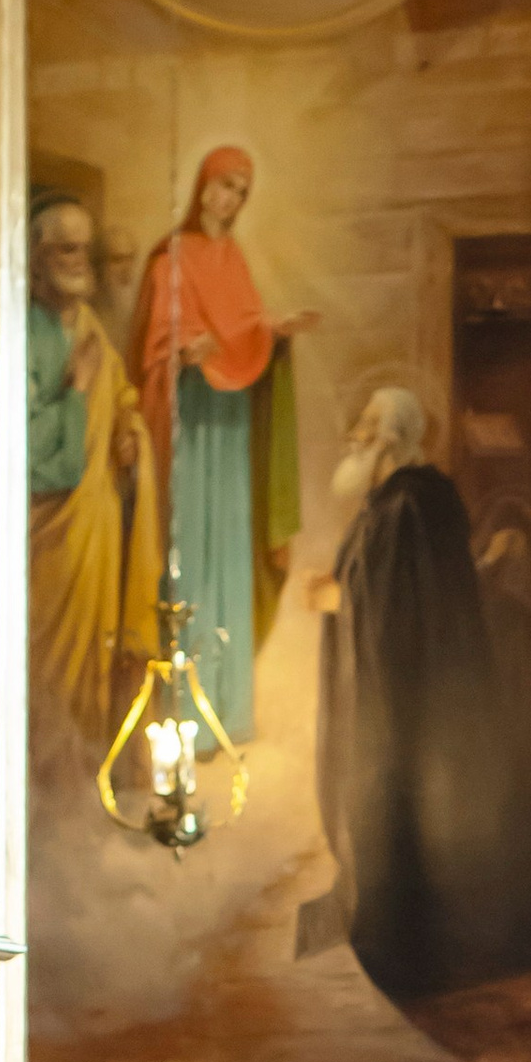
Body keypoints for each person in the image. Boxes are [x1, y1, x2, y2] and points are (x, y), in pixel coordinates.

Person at [311, 386, 531, 1057]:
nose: (353, 441)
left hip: (408, 708)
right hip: (388, 702)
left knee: (406, 822)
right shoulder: (390, 507)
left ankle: (416, 959)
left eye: (363, 429)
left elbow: (409, 616)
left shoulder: (413, 504)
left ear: (389, 436)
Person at [125, 144, 308, 742]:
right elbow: (152, 355)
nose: (230, 200)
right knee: (190, 552)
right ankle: (184, 720)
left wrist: (272, 336)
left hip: (229, 423)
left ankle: (227, 711)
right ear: (203, 184)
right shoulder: (169, 261)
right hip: (190, 425)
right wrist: (182, 355)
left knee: (228, 545)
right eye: (225, 185)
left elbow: (243, 336)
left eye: (241, 191)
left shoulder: (233, 258)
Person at [28, 192, 160, 762]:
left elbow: (123, 391)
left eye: (85, 249)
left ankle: (85, 787)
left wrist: (129, 427)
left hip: (98, 527)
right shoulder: (20, 333)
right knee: (47, 669)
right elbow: (28, 454)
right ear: (35, 254)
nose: (78, 261)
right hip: (50, 540)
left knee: (95, 667)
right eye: (65, 249)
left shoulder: (89, 325)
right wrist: (78, 394)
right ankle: (43, 795)